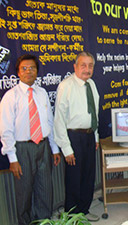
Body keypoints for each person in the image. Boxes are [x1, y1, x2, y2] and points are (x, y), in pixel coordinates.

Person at [0, 54, 61, 225]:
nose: (29, 71)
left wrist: (54, 149)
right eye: (24, 69)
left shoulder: (41, 93)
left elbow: (49, 121)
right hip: (22, 149)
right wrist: (13, 158)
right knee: (24, 194)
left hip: (43, 147)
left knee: (45, 192)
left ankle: (44, 222)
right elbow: (6, 130)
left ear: (37, 72)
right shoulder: (10, 96)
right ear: (18, 73)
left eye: (32, 68)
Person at [53, 51, 100, 221]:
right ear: (75, 67)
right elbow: (59, 119)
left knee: (88, 177)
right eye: (83, 65)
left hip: (88, 137)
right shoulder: (66, 86)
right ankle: (72, 216)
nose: (87, 69)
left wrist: (95, 136)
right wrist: (66, 148)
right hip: (73, 138)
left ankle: (84, 212)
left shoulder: (92, 84)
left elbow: (93, 114)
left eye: (90, 65)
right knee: (74, 179)